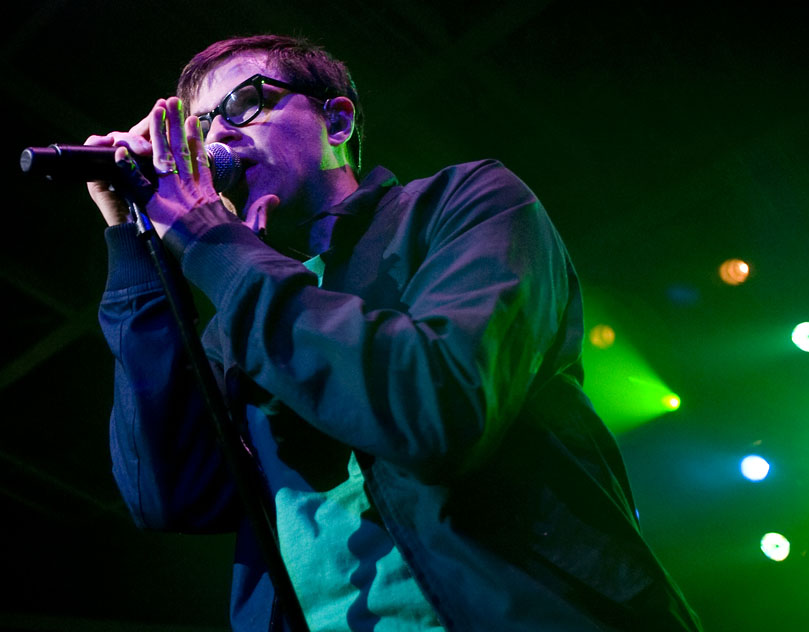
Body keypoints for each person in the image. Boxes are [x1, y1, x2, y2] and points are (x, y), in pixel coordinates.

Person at [87, 34, 702, 631]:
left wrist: (215, 243)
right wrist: (139, 251)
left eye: (244, 104)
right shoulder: (236, 320)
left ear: (337, 121)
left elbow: (436, 408)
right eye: (197, 130)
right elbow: (169, 495)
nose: (217, 136)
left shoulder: (464, 203)